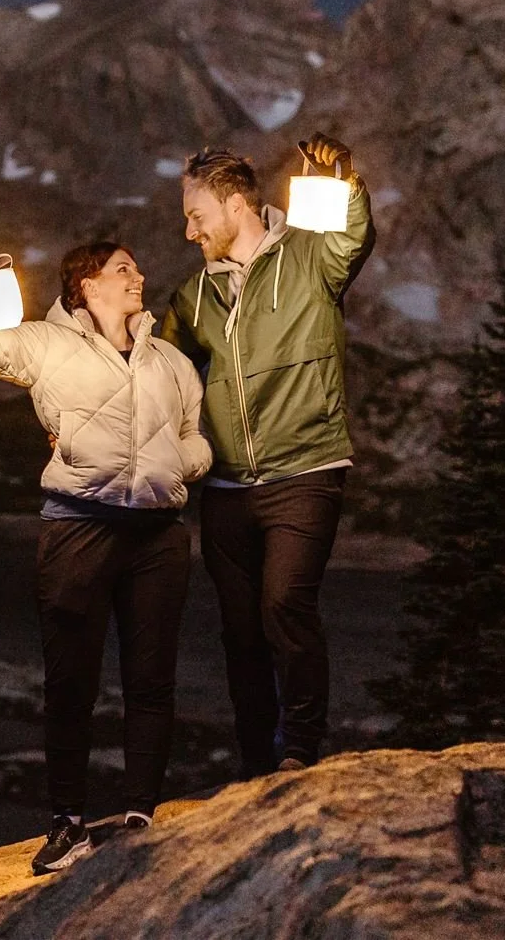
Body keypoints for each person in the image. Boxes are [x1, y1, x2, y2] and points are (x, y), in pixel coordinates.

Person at [0, 240, 211, 875]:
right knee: (71, 683)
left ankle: (141, 816)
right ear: (87, 286)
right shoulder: (46, 344)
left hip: (158, 535)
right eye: (123, 269)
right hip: (78, 529)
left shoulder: (171, 361)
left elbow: (193, 437)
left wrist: (181, 463)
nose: (138, 276)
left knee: (151, 680)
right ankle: (67, 825)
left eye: (136, 267)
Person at [159, 135, 374, 777]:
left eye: (196, 215)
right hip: (226, 490)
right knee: (241, 630)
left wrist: (344, 179)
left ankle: (299, 750)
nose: (189, 231)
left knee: (285, 604)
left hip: (305, 471)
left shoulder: (310, 257)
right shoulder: (192, 298)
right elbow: (153, 376)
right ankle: (257, 763)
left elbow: (352, 237)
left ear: (235, 205)